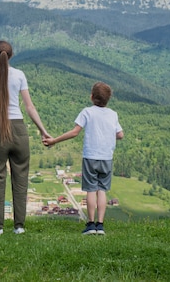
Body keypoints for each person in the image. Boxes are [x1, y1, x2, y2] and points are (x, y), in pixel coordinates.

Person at [0, 40, 51, 235]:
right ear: (11, 55)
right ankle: (19, 226)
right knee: (21, 177)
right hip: (19, 129)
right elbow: (29, 107)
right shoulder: (20, 75)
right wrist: (42, 130)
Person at [44, 81, 124, 235]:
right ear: (108, 100)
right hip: (107, 157)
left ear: (91, 96)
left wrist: (54, 140)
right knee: (102, 190)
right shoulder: (113, 114)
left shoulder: (87, 112)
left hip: (90, 157)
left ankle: (90, 224)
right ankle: (100, 225)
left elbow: (75, 132)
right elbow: (120, 134)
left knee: (91, 189)